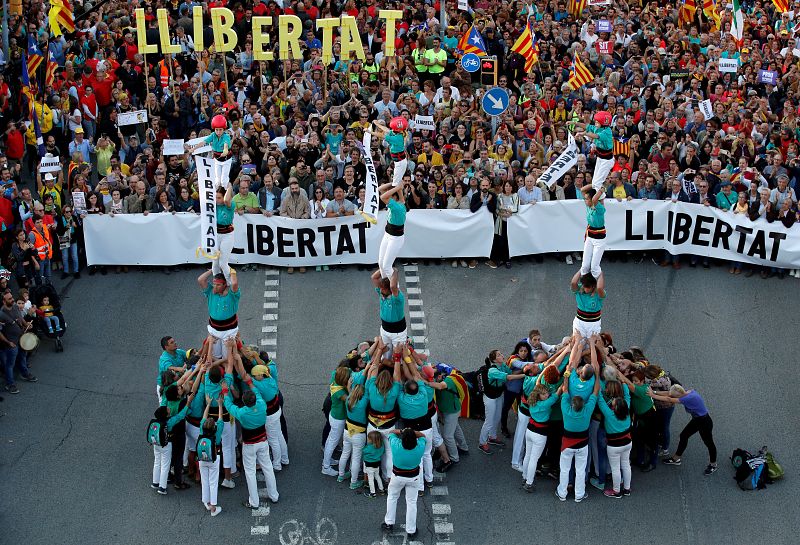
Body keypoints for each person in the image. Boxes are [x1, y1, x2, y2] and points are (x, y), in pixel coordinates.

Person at [222, 350, 279, 508]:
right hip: (263, 441)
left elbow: (229, 405)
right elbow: (255, 390)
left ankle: (254, 501)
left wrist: (225, 392)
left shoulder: (242, 413)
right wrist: (249, 382)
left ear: (245, 401)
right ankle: (274, 495)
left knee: (250, 472)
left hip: (249, 444)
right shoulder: (261, 404)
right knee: (267, 467)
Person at [556, 337, 601, 502]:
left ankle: (562, 493)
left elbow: (566, 385)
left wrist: (578, 344)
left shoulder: (566, 407)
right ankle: (579, 494)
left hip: (567, 442)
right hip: (582, 442)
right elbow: (596, 384)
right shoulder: (588, 408)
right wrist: (592, 344)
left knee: (564, 468)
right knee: (581, 469)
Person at [650, 384, 718, 476]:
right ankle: (676, 458)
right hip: (697, 420)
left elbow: (669, 399)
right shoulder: (686, 392)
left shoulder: (686, 399)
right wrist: (654, 392)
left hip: (704, 422)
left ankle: (713, 464)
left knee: (709, 443)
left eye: (674, 395)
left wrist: (653, 395)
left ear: (678, 395)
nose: (672, 396)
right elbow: (669, 393)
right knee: (684, 436)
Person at [477, 350, 525, 455]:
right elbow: (509, 377)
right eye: (499, 355)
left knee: (497, 417)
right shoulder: (492, 371)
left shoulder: (502, 365)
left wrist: (523, 370)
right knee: (489, 421)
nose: (502, 355)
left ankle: (492, 437)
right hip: (490, 397)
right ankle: (482, 442)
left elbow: (511, 373)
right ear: (494, 360)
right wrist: (525, 375)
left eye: (501, 354)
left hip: (498, 395)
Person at [382, 428, 426, 540]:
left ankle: (389, 523)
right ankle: (411, 530)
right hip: (413, 478)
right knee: (411, 502)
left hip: (397, 477)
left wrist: (403, 431)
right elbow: (422, 436)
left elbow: (391, 433)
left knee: (392, 497)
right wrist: (412, 432)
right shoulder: (420, 447)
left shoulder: (396, 445)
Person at [249, 359, 289, 472]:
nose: (253, 377)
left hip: (270, 416)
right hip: (277, 411)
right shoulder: (271, 380)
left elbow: (249, 381)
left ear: (261, 375)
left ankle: (277, 465)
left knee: (273, 441)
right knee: (279, 435)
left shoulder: (260, 385)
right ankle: (285, 459)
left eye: (255, 375)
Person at [198, 269, 240, 360]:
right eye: (214, 284)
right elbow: (201, 280)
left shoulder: (232, 295)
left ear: (225, 285)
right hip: (214, 330)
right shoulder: (210, 292)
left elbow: (234, 284)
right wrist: (213, 269)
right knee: (215, 356)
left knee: (226, 357)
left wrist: (231, 271)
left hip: (229, 331)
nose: (215, 287)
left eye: (218, 285)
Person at [0, 291, 37, 394]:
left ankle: (25, 374)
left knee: (22, 357)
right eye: (9, 299)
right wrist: (8, 342)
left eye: (12, 297)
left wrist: (26, 324)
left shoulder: (15, 307)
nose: (12, 300)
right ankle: (10, 384)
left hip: (21, 338)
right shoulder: (1, 314)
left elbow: (20, 318)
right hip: (11, 343)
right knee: (10, 364)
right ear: (4, 301)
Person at [198, 395, 225, 517]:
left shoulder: (201, 429)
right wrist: (220, 404)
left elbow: (204, 417)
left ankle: (206, 502)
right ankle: (213, 508)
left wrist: (208, 404)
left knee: (205, 481)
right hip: (214, 457)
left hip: (202, 459)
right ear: (214, 426)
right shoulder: (217, 430)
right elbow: (220, 418)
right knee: (213, 482)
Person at [376, 182, 406, 281]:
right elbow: (380, 189)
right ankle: (386, 285)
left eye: (390, 194)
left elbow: (382, 197)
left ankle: (396, 288)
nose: (387, 195)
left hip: (395, 239)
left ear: (394, 197)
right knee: (381, 263)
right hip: (388, 235)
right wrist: (394, 183)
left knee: (386, 266)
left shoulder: (397, 207)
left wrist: (397, 187)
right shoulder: (400, 202)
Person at [576, 111, 614, 192]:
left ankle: (598, 196)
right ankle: (601, 196)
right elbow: (587, 126)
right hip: (600, 158)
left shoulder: (607, 131)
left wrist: (584, 134)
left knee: (597, 183)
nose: (595, 123)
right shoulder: (598, 128)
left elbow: (595, 136)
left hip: (607, 160)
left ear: (603, 123)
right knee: (594, 182)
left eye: (597, 122)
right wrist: (574, 123)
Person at [371, 269, 406, 350]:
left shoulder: (397, 298)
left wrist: (394, 271)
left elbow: (393, 286)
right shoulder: (382, 294)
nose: (380, 290)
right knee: (385, 354)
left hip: (398, 333)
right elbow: (374, 277)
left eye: (383, 289)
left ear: (389, 289)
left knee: (398, 355)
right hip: (384, 330)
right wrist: (385, 267)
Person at [371, 117, 409, 187]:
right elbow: (387, 130)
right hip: (398, 161)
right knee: (397, 182)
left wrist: (369, 132)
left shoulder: (397, 138)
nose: (392, 130)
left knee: (395, 184)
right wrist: (378, 125)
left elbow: (382, 135)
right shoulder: (399, 133)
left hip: (400, 162)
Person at [579, 184, 606, 279]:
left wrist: (601, 190)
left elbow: (595, 199)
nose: (585, 200)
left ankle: (597, 284)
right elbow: (582, 190)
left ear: (592, 200)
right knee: (585, 266)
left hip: (599, 239)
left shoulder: (600, 208)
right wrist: (594, 184)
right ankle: (584, 282)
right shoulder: (588, 206)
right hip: (589, 237)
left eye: (587, 199)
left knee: (594, 267)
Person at [570, 270, 606, 339]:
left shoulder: (598, 294)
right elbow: (573, 283)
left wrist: (600, 273)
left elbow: (600, 287)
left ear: (593, 286)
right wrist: (582, 269)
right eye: (584, 286)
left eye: (588, 287)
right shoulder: (579, 289)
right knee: (577, 342)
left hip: (593, 324)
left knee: (592, 343)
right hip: (579, 322)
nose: (585, 289)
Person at [212, 184, 235, 285]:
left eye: (219, 198)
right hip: (216, 235)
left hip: (227, 235)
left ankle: (230, 283)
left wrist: (229, 186)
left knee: (223, 263)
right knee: (215, 262)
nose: (217, 200)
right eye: (215, 197)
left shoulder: (230, 204)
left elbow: (226, 200)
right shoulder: (213, 205)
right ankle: (217, 283)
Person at [363, 431, 386, 497]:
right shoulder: (381, 446)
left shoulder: (369, 447)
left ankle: (372, 493)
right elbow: (383, 452)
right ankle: (381, 489)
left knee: (370, 479)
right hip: (377, 464)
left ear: (372, 440)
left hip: (369, 465)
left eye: (369, 438)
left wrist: (366, 446)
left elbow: (364, 451)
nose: (368, 439)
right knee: (377, 476)